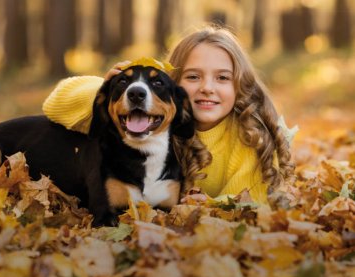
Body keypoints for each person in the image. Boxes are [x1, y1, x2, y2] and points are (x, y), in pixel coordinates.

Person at [42, 24, 296, 205]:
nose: (207, 87)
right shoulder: (153, 119)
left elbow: (251, 198)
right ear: (172, 86)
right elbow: (55, 104)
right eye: (193, 76)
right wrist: (106, 90)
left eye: (222, 78)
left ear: (240, 85)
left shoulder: (248, 134)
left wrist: (211, 206)